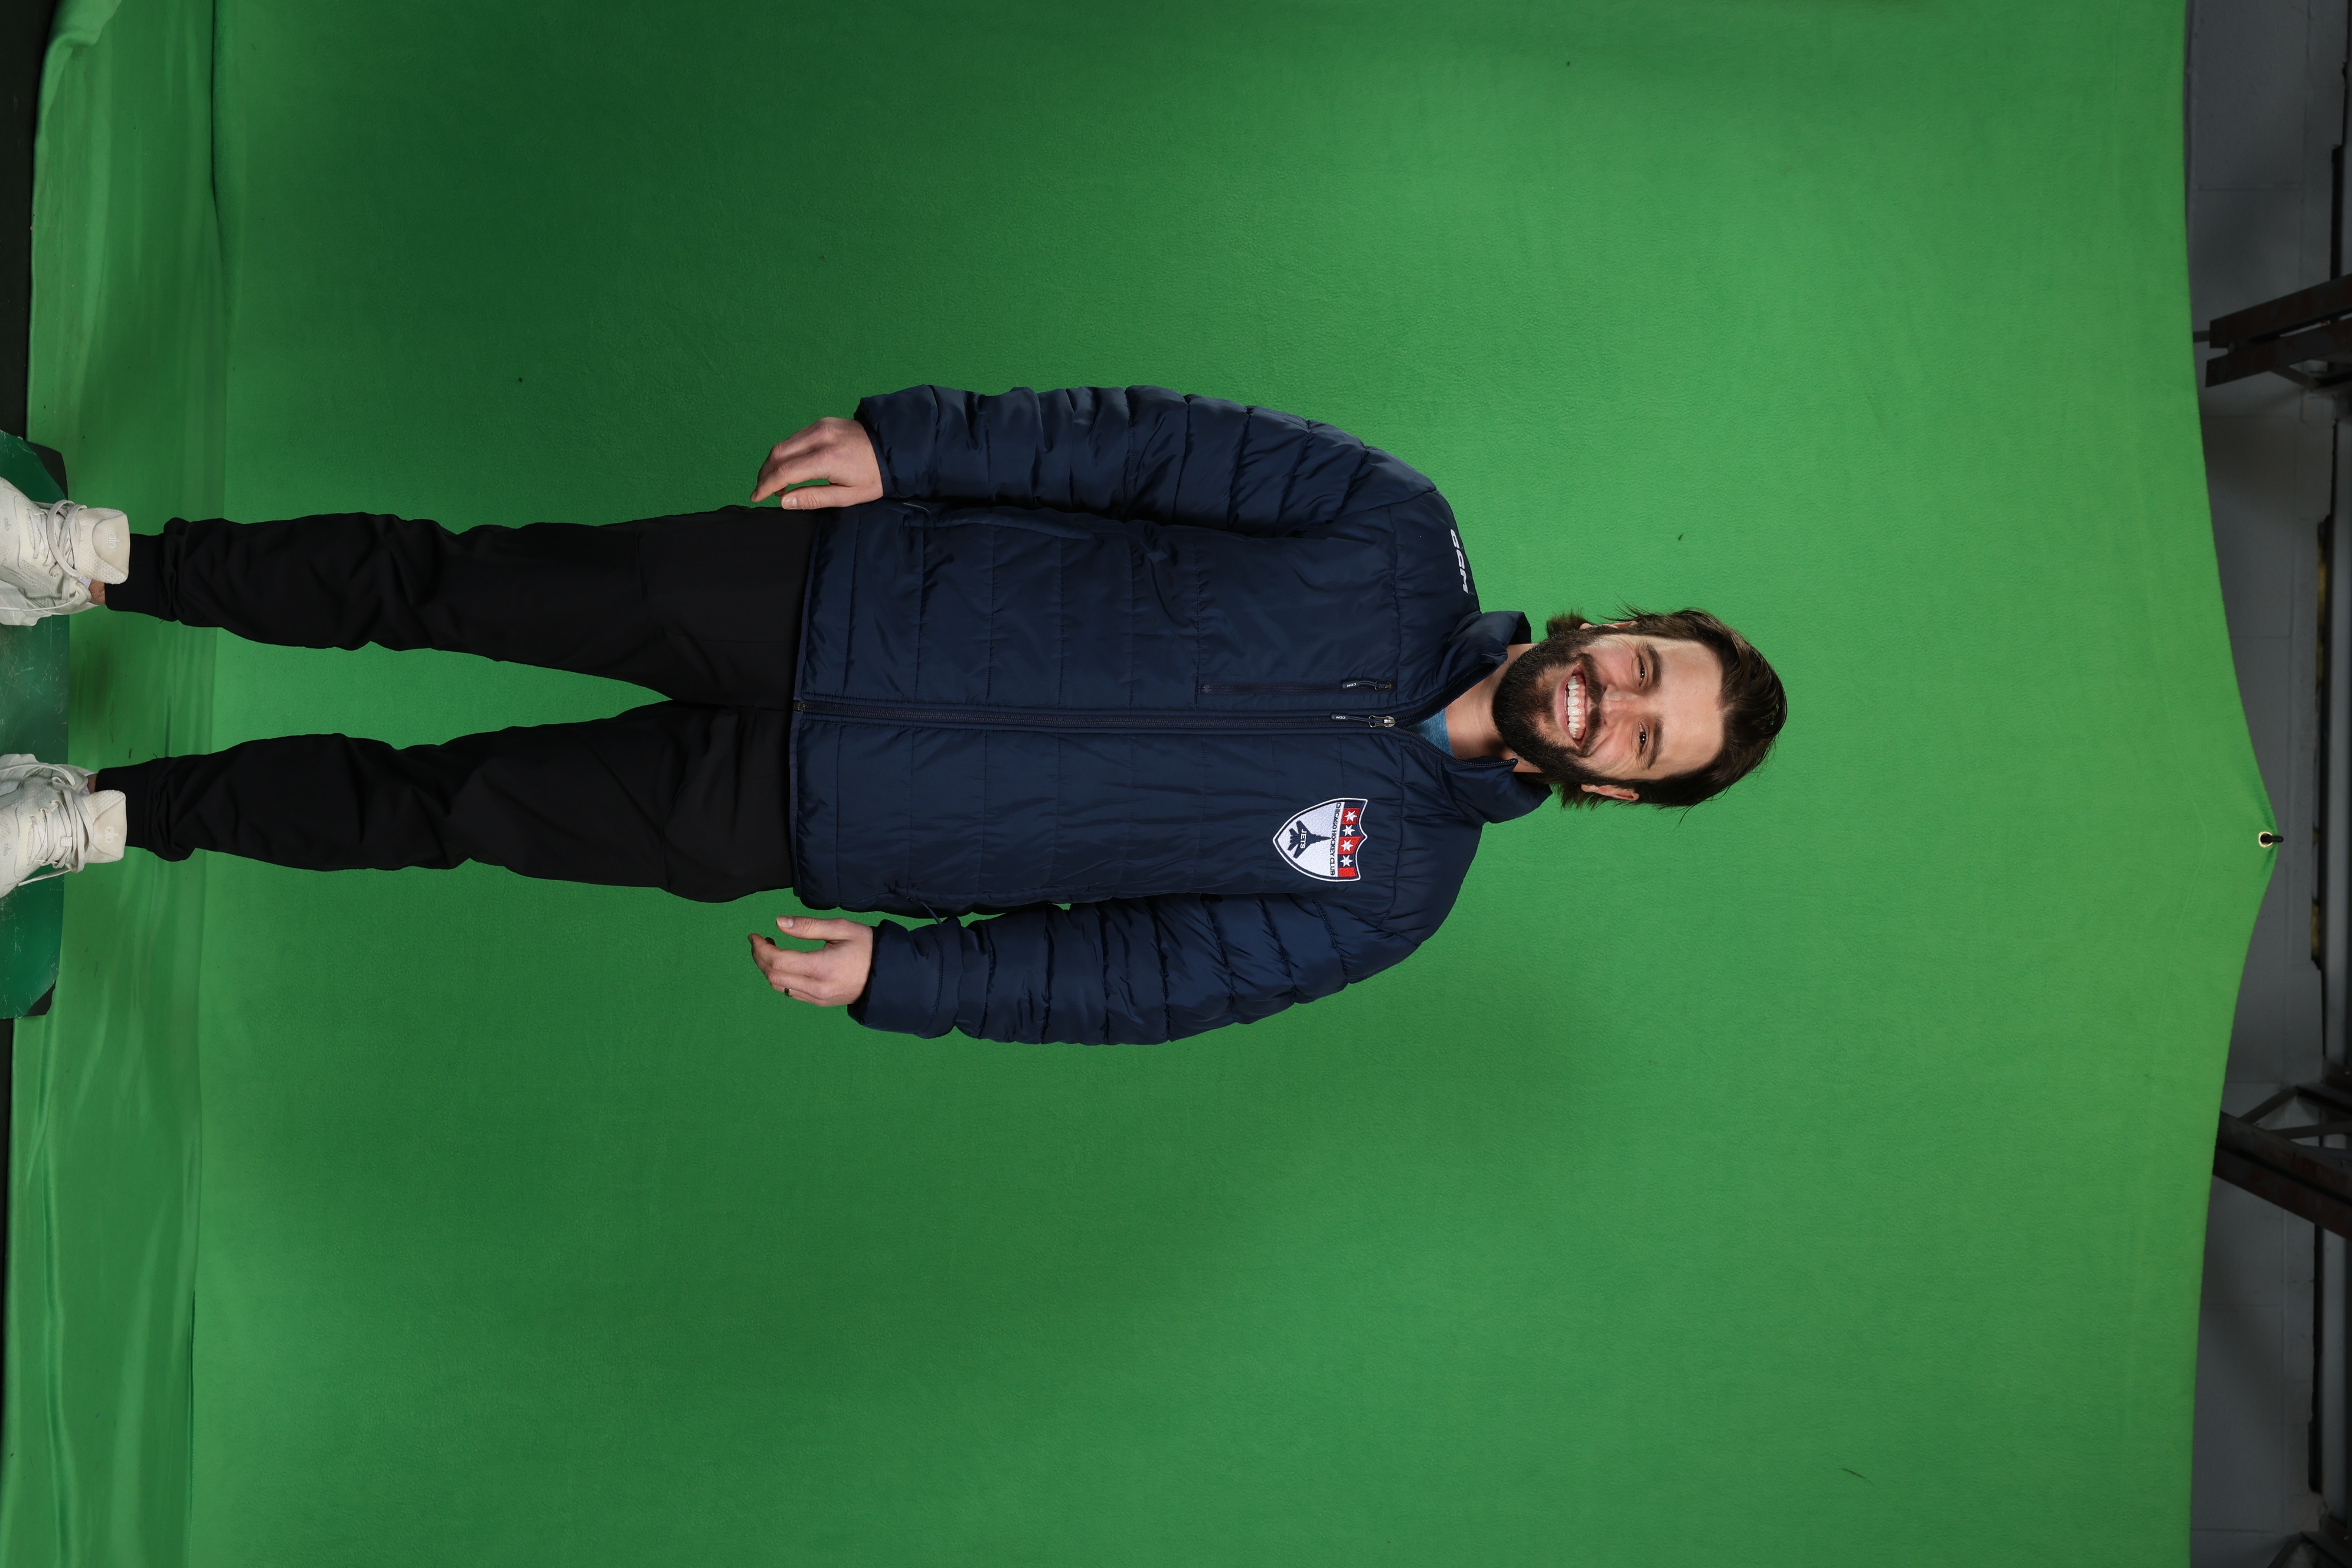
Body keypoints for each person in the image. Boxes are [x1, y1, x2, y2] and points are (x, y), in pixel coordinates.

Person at [0, 386, 1786, 1043]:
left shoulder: (1389, 896)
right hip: (830, 587)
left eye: (1647, 734)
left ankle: (96, 814)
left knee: (442, 806)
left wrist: (909, 980)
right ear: (1620, 626)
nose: (1614, 701)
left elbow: (1135, 979)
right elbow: (1141, 449)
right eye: (1646, 666)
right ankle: (90, 561)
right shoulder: (1396, 531)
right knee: (447, 584)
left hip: (821, 819)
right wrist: (912, 445)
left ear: (1621, 792)